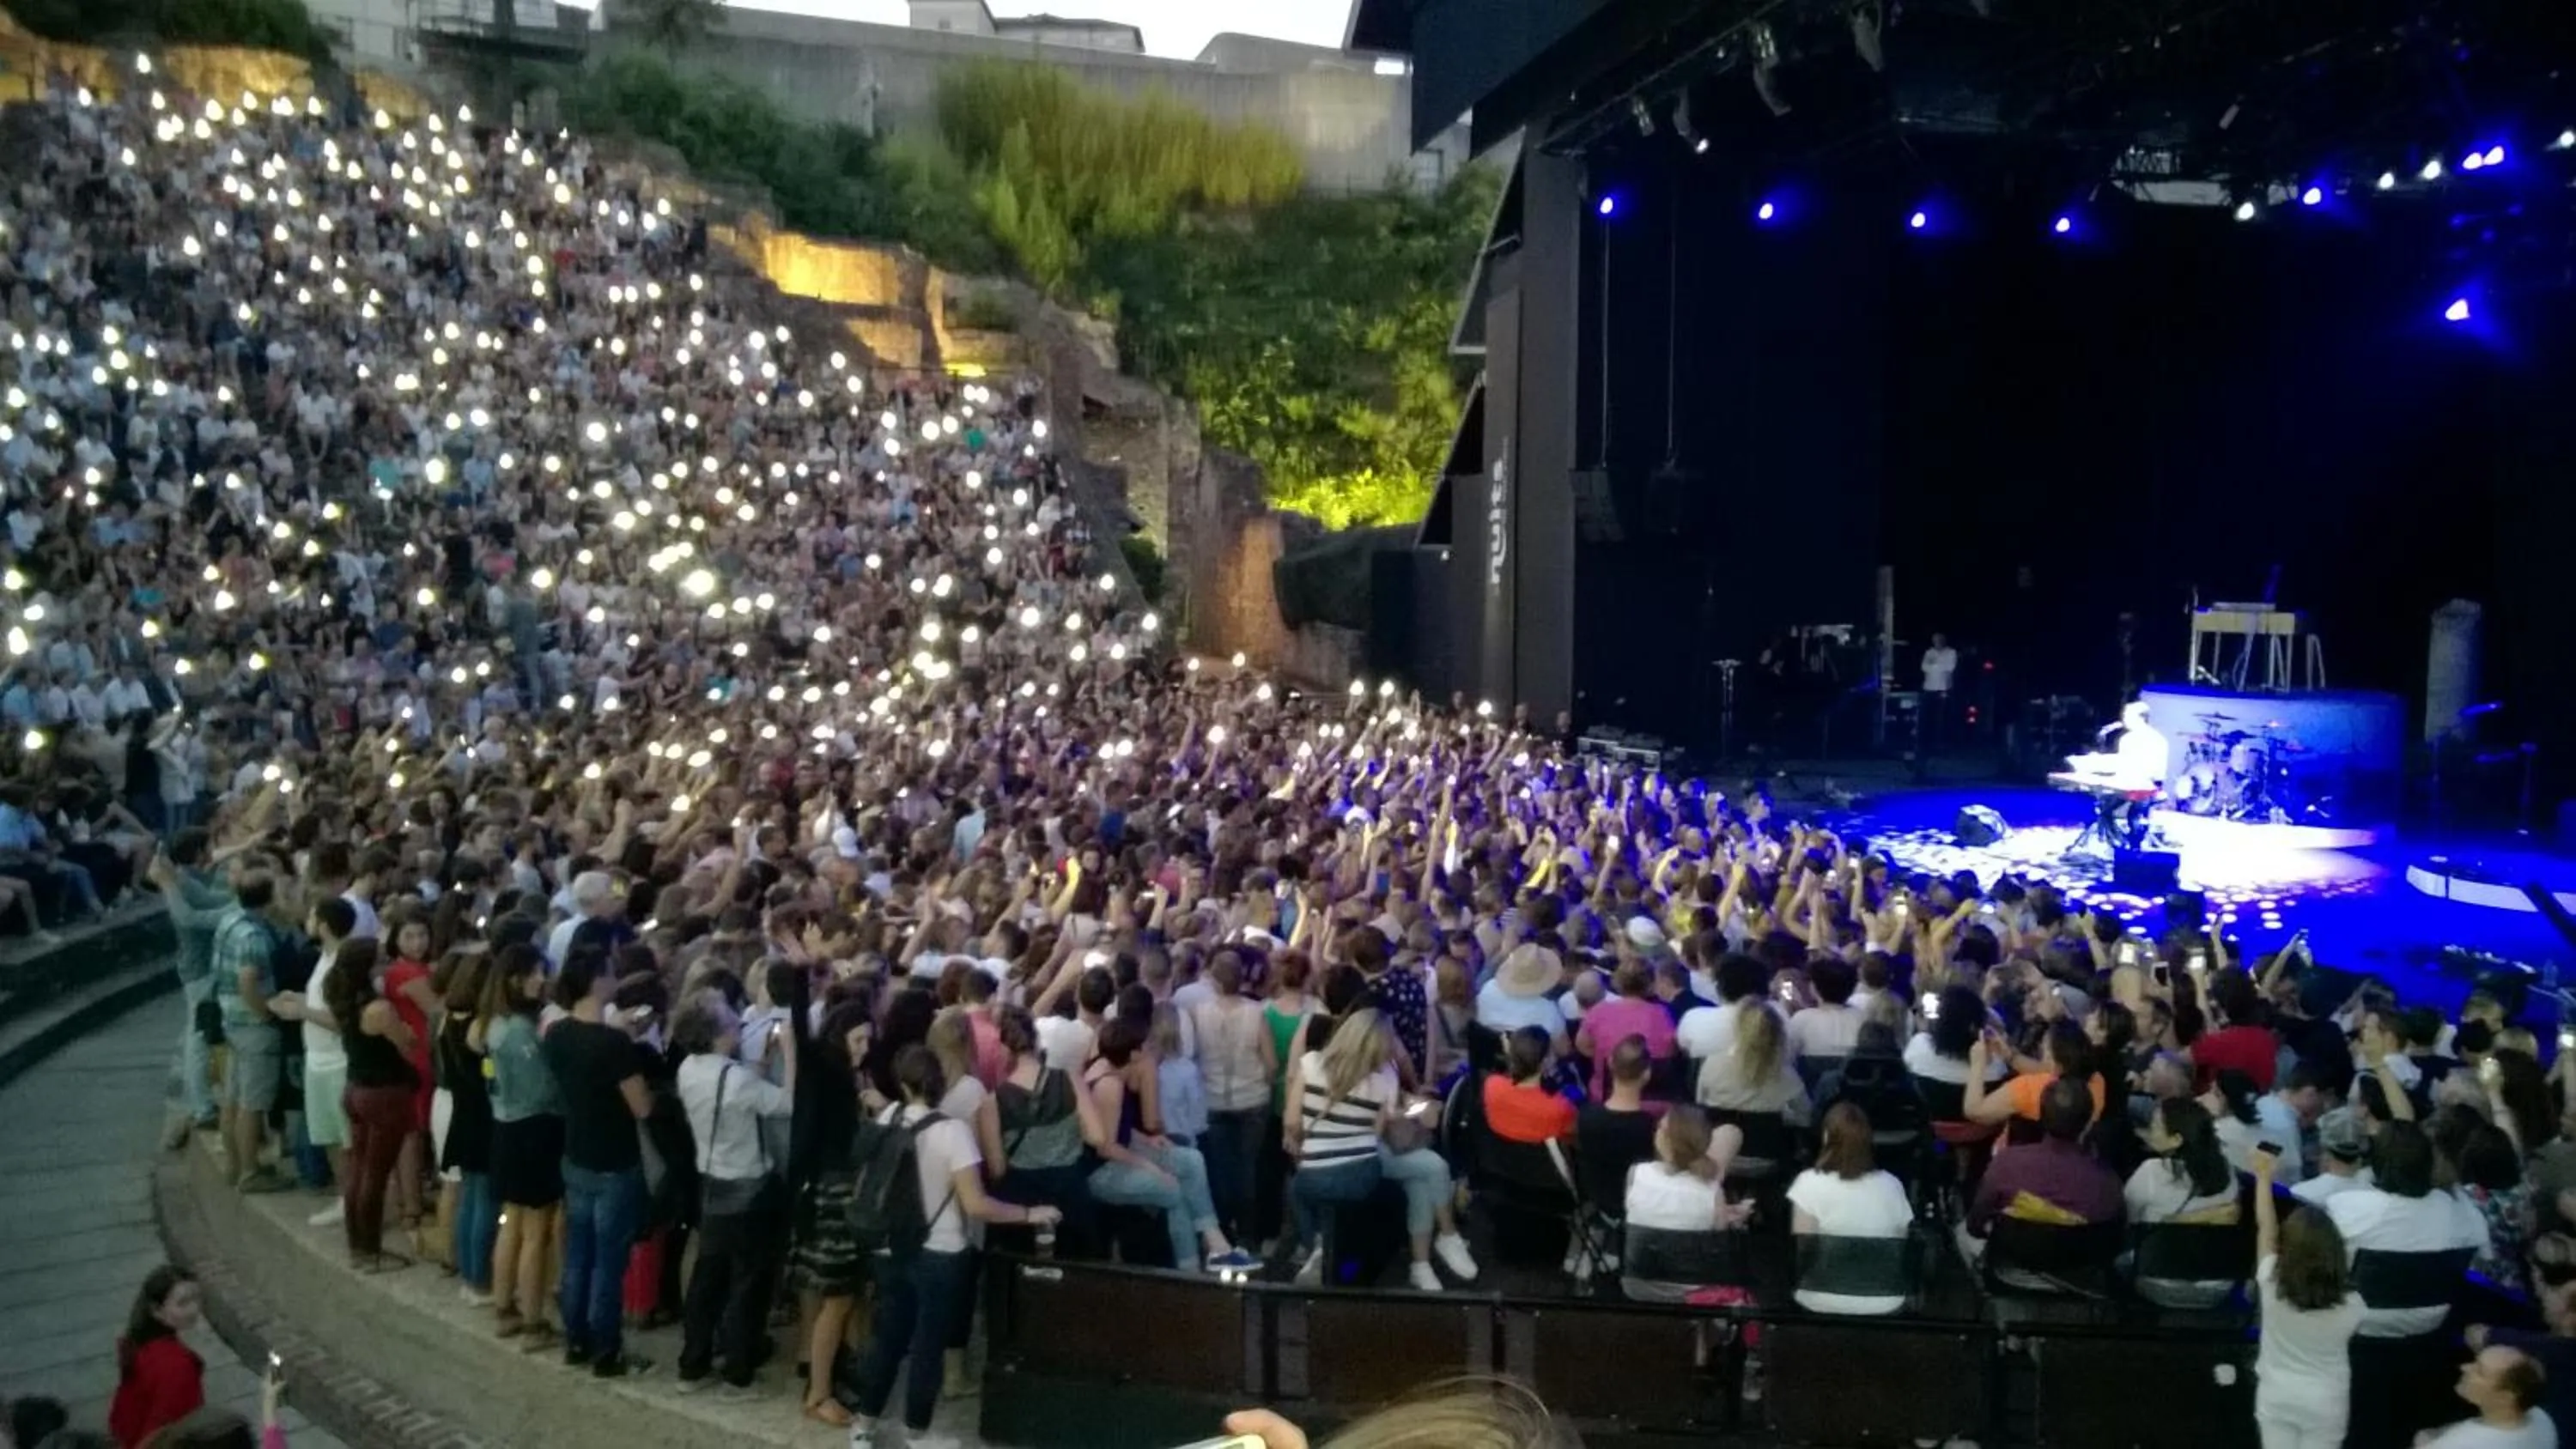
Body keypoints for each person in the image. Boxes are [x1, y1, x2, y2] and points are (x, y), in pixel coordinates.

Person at [844, 1046, 1061, 1449]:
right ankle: (917, 1433)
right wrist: (1031, 1214)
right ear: (940, 1084)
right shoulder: (953, 1132)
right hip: (941, 1252)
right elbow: (976, 1204)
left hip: (889, 1246)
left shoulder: (888, 1117)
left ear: (904, 1084)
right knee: (928, 1344)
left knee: (888, 1337)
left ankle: (863, 1426)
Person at [1285, 1009, 1477, 1291]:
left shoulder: (1311, 1063)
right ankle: (1438, 1245)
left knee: (1424, 1174)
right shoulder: (1384, 1077)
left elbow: (1291, 1122)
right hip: (1362, 1173)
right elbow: (1375, 1133)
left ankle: (1320, 1246)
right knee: (1431, 1167)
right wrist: (1412, 1111)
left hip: (1313, 1175)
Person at [540, 954, 657, 1378]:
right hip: (615, 1161)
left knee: (577, 1257)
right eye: (608, 972)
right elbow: (641, 1107)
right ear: (596, 982)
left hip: (577, 1154)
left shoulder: (557, 1034)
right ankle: (607, 1350)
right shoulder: (613, 1045)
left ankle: (576, 1340)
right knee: (609, 1262)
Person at [1084, 1016, 1259, 1274]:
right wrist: (1150, 1167)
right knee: (1173, 1190)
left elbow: (1118, 1128)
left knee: (1191, 1160)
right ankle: (1191, 1268)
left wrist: (1148, 1139)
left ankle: (1216, 1245)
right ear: (1133, 1054)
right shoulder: (1109, 1085)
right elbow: (1106, 1147)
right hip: (1102, 1170)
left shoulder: (1108, 1070)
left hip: (1123, 1152)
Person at [477, 945, 564, 1349]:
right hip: (533, 1132)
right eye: (535, 973)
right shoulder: (520, 1032)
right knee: (535, 1231)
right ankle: (532, 1320)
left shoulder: (493, 1025)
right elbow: (544, 1089)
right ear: (515, 979)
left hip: (505, 1129)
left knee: (511, 1222)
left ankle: (504, 1307)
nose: (541, 980)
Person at [2250, 1148, 2363, 1449]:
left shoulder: (2271, 1279)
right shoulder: (2353, 1305)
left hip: (2276, 1394)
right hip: (2327, 1399)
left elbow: (2266, 1228)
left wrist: (2263, 1177)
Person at [318, 938, 418, 1272]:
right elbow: (406, 1047)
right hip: (384, 1094)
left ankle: (358, 1247)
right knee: (375, 1175)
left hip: (356, 1089)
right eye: (380, 960)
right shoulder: (379, 1009)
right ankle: (371, 1251)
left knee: (358, 1171)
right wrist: (406, 1033)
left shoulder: (343, 997)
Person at [1959, 1078, 2123, 1254]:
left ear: (2041, 1116)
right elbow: (2113, 1242)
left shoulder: (2007, 1163)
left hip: (2011, 1268)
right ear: (2089, 1122)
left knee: (1961, 1233)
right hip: (2078, 1275)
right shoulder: (2109, 1184)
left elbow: (1975, 1225)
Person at [1787, 1103, 1914, 1314]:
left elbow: (1803, 1247)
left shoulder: (1808, 1182)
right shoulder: (1892, 1184)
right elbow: (1900, 1243)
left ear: (1827, 1137)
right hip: (1884, 1298)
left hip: (1819, 1296)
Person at [209, 867, 290, 1193]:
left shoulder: (230, 921)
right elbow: (248, 980)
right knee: (253, 1102)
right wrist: (266, 1012)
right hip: (253, 1025)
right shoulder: (253, 936)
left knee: (234, 1098)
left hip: (232, 1022)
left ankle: (234, 1165)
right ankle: (250, 1171)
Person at [1622, 1105, 1752, 1300]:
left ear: (1663, 1139)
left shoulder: (1637, 1173)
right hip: (1692, 1292)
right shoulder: (1712, 1191)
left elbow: (1639, 1214)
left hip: (1636, 1286)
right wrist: (1735, 1218)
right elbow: (1718, 1240)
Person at [2123, 1096, 2242, 1307]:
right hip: (2218, 1287)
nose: (2150, 1130)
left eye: (2156, 1125)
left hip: (2159, 1284)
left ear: (2177, 1139)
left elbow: (2128, 1223)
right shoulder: (2227, 1172)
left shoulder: (2151, 1173)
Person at [108, 1267, 204, 1448]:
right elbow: (164, 1429)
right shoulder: (177, 1366)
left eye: (196, 1298)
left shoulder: (141, 1345)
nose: (194, 1309)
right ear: (157, 1310)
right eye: (183, 1303)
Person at [2415, 1348, 2556, 1449]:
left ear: (2505, 1396)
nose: (2464, 1367)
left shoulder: (2459, 1443)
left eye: (2480, 1371)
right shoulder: (2542, 1418)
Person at [1576, 961, 1675, 1102]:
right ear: (1650, 984)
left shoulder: (1599, 1012)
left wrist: (1605, 1052)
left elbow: (1583, 1046)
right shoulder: (1662, 1014)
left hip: (1607, 1097)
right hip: (1649, 1098)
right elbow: (1669, 1052)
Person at [1482, 1026, 1576, 1144]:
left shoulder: (1491, 1085)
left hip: (1500, 1155)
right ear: (1545, 1061)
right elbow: (1574, 1138)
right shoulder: (1559, 1107)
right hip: (1544, 1160)